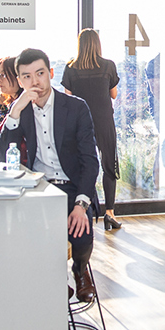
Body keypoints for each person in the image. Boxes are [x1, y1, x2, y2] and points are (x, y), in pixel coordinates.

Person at [0, 48, 100, 301]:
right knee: (27, 232)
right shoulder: (22, 110)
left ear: (51, 73)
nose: (35, 82)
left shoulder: (76, 107)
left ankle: (80, 270)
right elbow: (2, 155)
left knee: (81, 232)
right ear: (20, 81)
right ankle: (52, 277)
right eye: (27, 76)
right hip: (39, 187)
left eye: (40, 73)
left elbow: (90, 160)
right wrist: (15, 111)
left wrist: (81, 205)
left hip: (73, 186)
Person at [61, 28, 122, 231]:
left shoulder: (71, 68)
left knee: (82, 165)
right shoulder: (108, 66)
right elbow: (113, 94)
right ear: (97, 44)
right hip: (104, 120)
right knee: (109, 165)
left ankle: (83, 210)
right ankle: (109, 213)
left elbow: (67, 98)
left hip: (80, 122)